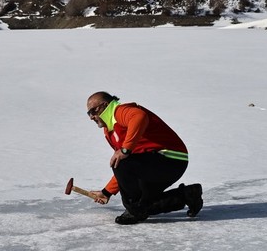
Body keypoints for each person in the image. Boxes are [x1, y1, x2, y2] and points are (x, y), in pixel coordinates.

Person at [85, 91, 203, 225]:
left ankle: (134, 209)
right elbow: (125, 167)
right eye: (88, 114)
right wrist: (107, 192)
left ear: (104, 105)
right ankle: (188, 195)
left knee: (134, 199)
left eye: (92, 112)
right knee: (144, 205)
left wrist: (125, 149)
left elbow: (139, 116)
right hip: (163, 164)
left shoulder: (119, 111)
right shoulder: (110, 131)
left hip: (169, 159)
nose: (91, 117)